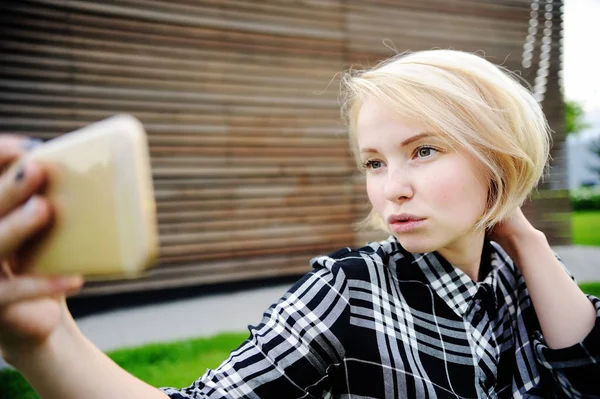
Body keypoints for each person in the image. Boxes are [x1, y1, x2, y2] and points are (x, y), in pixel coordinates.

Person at [0, 49, 598, 399]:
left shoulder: (518, 274)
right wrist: (45, 341)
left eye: (423, 151)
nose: (393, 186)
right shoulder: (350, 291)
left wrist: (525, 236)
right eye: (374, 162)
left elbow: (586, 373)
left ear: (498, 158)